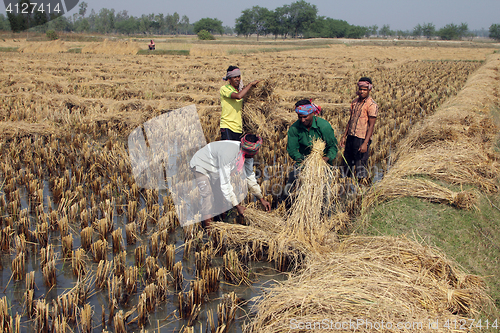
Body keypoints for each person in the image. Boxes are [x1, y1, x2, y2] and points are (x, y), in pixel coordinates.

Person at [189, 134, 271, 227]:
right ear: (248, 151)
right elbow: (225, 184)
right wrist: (237, 206)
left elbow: (249, 176)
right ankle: (209, 232)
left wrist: (261, 198)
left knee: (220, 196)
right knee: (208, 196)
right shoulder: (229, 154)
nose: (254, 155)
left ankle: (221, 224)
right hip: (202, 164)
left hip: (215, 168)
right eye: (253, 153)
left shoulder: (247, 154)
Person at [285, 99, 338, 197]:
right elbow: (292, 150)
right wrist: (305, 161)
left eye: (305, 117)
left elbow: (332, 147)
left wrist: (326, 158)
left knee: (325, 193)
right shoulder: (294, 129)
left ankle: (327, 211)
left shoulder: (324, 127)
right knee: (291, 187)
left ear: (312, 113)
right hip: (303, 162)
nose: (302, 120)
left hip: (323, 164)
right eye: (300, 117)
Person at [339, 77, 378, 181]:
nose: (362, 91)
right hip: (351, 137)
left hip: (361, 138)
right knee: (347, 162)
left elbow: (371, 126)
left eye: (365, 89)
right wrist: (344, 136)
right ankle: (347, 184)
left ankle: (361, 188)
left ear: (369, 89)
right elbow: (350, 120)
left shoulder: (371, 105)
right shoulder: (354, 102)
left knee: (360, 164)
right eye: (360, 89)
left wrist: (365, 143)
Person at [219, 66, 260, 141]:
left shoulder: (240, 90)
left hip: (238, 128)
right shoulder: (225, 89)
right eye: (234, 77)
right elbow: (238, 96)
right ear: (229, 79)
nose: (237, 79)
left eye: (238, 76)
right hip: (227, 126)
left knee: (237, 152)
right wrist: (250, 84)